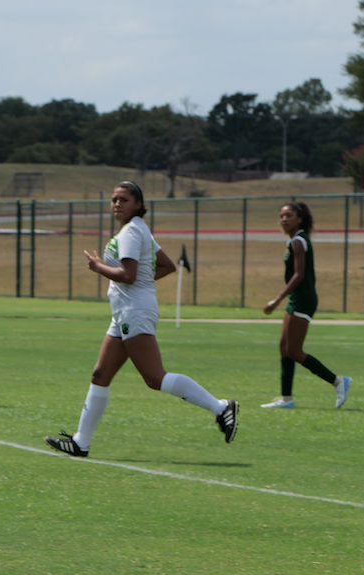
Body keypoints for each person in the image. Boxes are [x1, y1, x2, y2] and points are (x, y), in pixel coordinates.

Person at [46, 181, 237, 458]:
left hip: (133, 311)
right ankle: (80, 442)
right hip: (125, 311)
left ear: (138, 204)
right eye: (114, 199)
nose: (116, 204)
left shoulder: (132, 232)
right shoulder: (136, 230)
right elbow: (166, 266)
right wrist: (139, 282)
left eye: (123, 199)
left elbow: (129, 275)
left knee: (154, 377)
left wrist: (99, 267)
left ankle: (221, 407)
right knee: (100, 375)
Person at [261, 201, 350, 409]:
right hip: (297, 298)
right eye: (282, 216)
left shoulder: (298, 241)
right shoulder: (295, 240)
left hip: (303, 298)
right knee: (284, 347)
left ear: (299, 219)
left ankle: (338, 381)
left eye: (288, 215)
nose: (284, 219)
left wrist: (277, 299)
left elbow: (299, 275)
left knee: (294, 350)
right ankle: (286, 399)